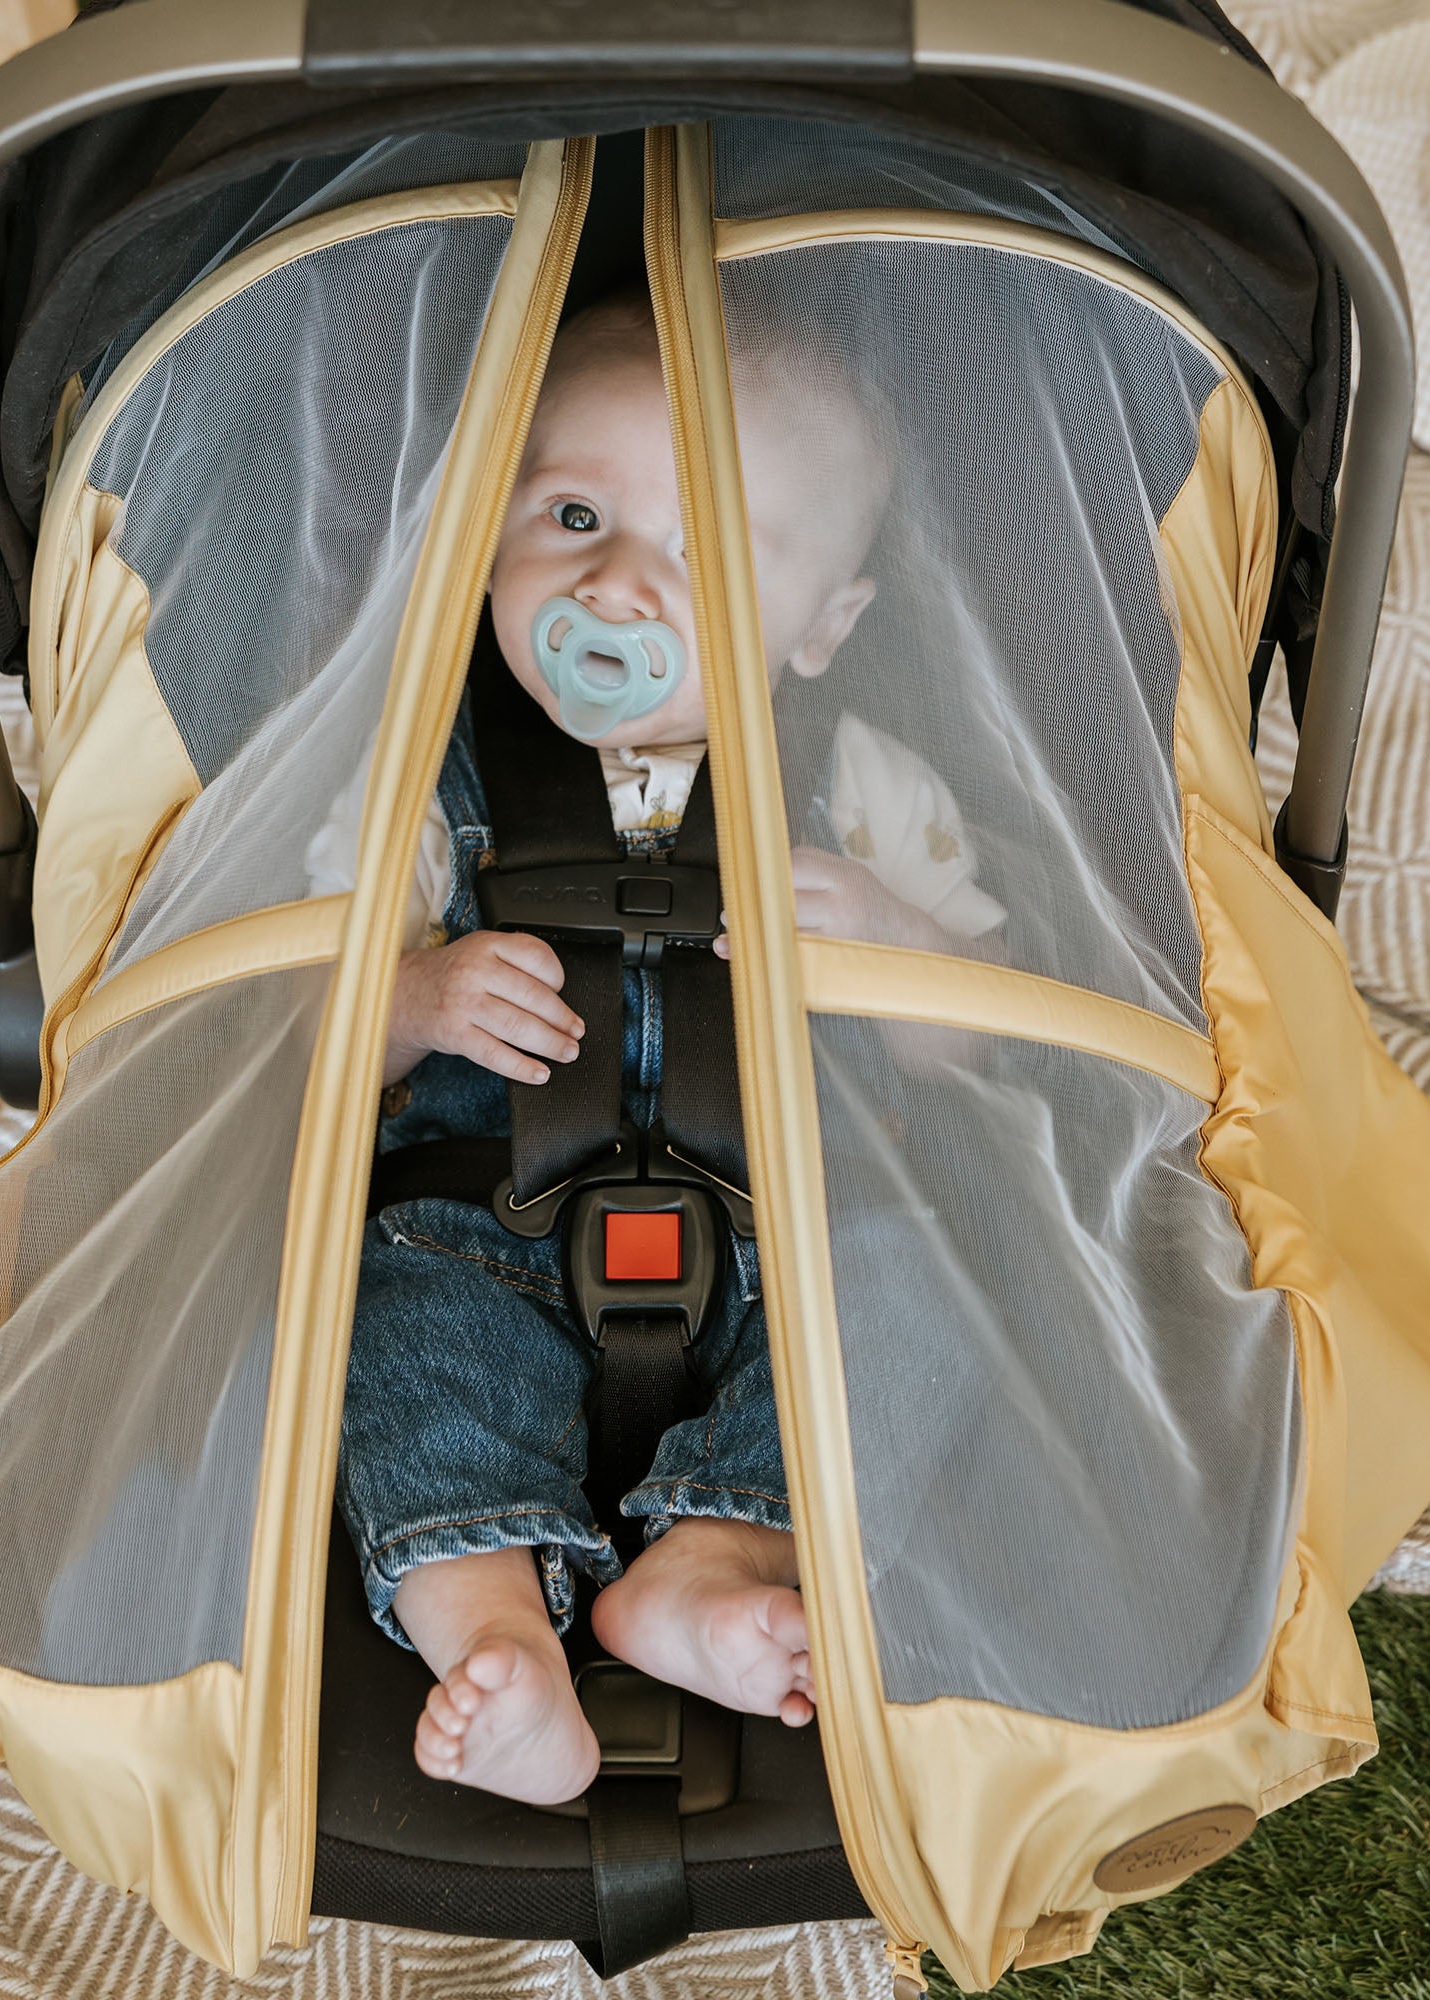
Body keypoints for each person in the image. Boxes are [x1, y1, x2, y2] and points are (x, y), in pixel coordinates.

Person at [328, 288, 1005, 1806]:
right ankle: (499, 1639)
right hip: (471, 1229)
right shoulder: (419, 785)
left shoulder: (867, 787)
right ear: (485, 530)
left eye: (705, 548)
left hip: (799, 1245)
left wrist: (900, 946)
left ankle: (710, 1558)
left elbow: (985, 1055)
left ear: (825, 621)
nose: (620, 584)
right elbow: (288, 1055)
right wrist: (417, 999)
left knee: (924, 1300)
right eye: (573, 513)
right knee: (393, 1345)